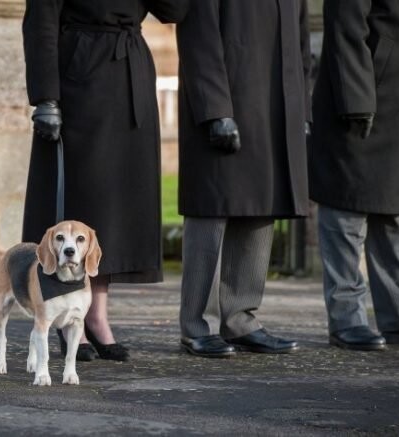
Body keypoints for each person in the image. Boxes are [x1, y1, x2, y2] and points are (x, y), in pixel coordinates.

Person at [22, 0, 189, 361]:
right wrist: (45, 98)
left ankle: (95, 317)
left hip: (130, 79)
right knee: (85, 202)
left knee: (114, 208)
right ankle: (68, 321)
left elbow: (174, 10)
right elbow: (41, 22)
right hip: (80, 83)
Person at [176, 0, 312, 357]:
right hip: (225, 103)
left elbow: (300, 45)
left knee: (259, 205)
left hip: (275, 107)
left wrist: (302, 109)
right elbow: (197, 37)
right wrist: (215, 111)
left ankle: (240, 319)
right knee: (211, 210)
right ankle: (195, 325)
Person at [309, 0, 399, 351]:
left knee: (398, 207)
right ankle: (347, 318)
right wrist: (355, 99)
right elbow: (345, 21)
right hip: (362, 95)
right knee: (345, 210)